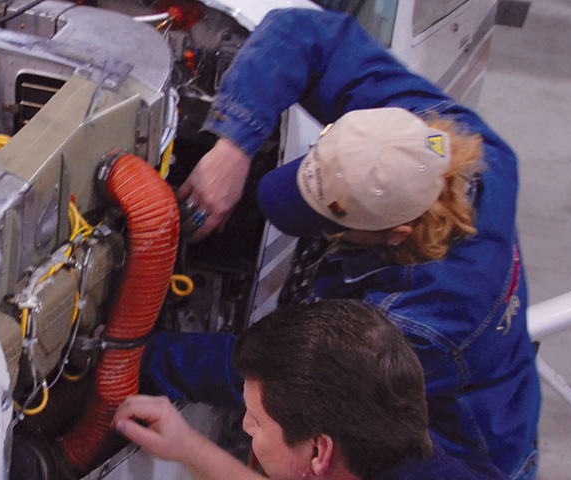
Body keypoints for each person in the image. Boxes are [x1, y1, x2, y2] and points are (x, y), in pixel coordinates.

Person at [147, 7, 541, 480]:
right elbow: (304, 32)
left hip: (456, 456)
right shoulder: (433, 143)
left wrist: (140, 355)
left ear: (398, 233)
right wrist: (233, 146)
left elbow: (277, 379)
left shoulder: (421, 323)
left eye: (333, 218)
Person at [117, 300, 507, 480]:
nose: (249, 429)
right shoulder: (432, 460)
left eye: (255, 420)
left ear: (319, 451)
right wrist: (188, 447)